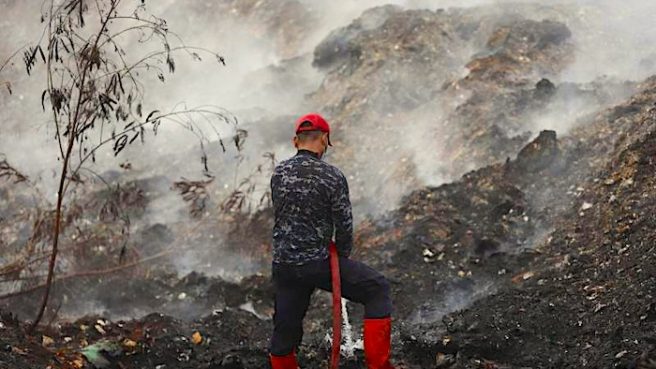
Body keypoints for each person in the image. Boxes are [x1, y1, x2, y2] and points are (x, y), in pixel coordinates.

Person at [268, 113, 395, 369]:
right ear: (325, 139)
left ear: (295, 141)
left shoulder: (279, 173)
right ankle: (380, 366)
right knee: (377, 289)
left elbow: (284, 215)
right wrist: (343, 256)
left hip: (284, 266)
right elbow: (344, 225)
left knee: (285, 329)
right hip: (319, 263)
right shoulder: (332, 176)